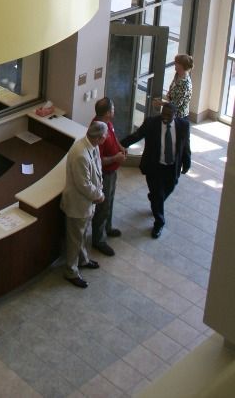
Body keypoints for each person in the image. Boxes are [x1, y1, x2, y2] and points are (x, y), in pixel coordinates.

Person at [121, 102, 191, 238]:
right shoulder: (151, 123)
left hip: (172, 167)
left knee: (169, 188)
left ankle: (154, 199)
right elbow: (137, 135)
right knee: (158, 195)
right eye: (163, 113)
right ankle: (159, 222)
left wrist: (187, 163)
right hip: (155, 166)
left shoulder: (183, 126)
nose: (164, 117)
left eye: (168, 115)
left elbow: (186, 146)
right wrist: (119, 144)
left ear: (174, 115)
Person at [60, 120, 107, 288]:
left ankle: (83, 260)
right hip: (78, 204)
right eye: (105, 136)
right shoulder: (80, 153)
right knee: (75, 239)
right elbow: (83, 184)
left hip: (88, 203)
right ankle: (71, 271)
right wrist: (99, 195)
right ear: (100, 137)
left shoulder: (92, 146)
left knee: (82, 234)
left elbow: (97, 170)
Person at [91, 97, 126, 257]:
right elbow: (98, 160)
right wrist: (115, 158)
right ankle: (99, 240)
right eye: (112, 108)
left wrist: (119, 147)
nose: (114, 110)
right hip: (105, 174)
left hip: (112, 172)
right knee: (102, 207)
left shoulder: (107, 124)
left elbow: (113, 135)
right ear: (106, 113)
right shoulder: (97, 130)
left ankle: (108, 227)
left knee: (110, 200)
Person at [164, 54, 194, 118]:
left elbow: (176, 104)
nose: (174, 63)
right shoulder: (178, 74)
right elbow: (173, 88)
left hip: (179, 116)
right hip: (171, 112)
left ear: (181, 66)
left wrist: (161, 103)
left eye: (176, 62)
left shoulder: (185, 84)